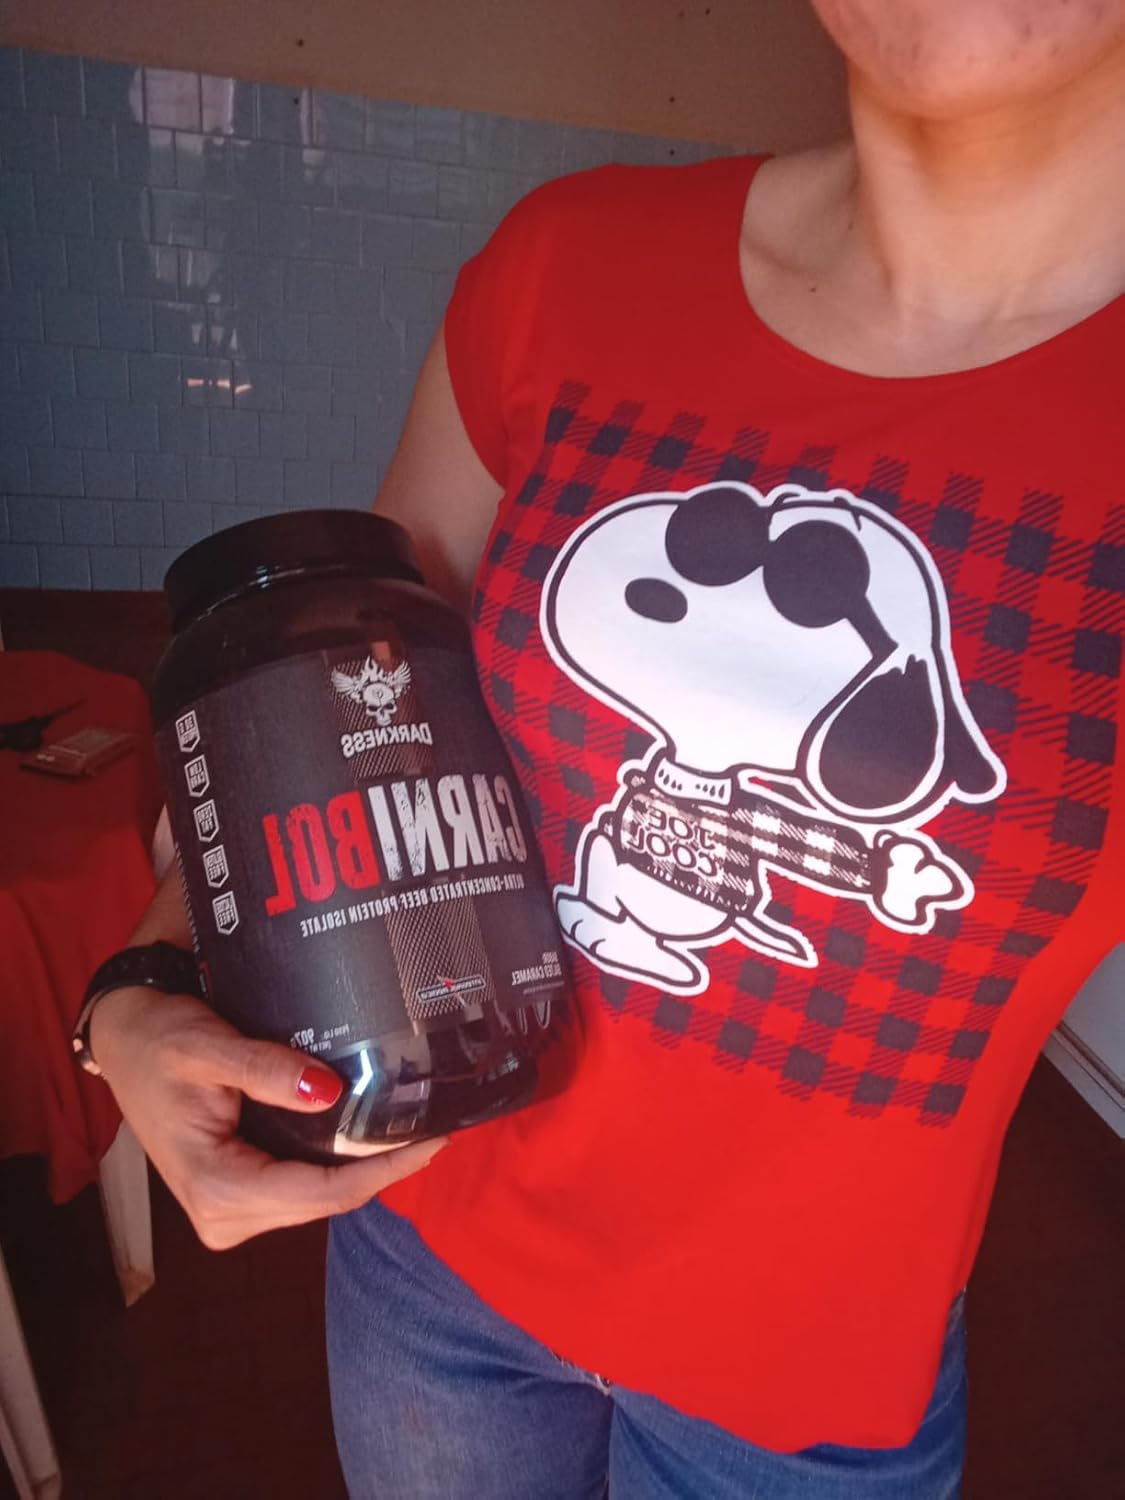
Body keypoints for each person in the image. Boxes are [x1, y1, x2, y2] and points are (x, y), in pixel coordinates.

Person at [85, 1, 1124, 1494]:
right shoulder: (565, 267)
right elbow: (324, 726)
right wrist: (141, 976)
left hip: (805, 1392)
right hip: (430, 1267)